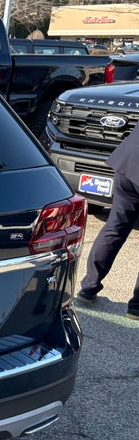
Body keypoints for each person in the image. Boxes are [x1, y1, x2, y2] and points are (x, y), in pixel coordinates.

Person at [77, 127, 139, 319]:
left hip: (129, 162)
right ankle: (136, 307)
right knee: (116, 226)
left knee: (115, 226)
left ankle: (88, 288)